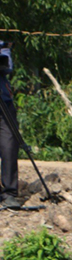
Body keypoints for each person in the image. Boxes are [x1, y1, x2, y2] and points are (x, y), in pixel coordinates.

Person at [0, 40, 20, 210]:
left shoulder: (2, 45)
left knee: (9, 146)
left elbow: (7, 66)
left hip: (3, 104)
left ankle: (10, 193)